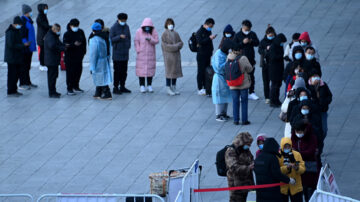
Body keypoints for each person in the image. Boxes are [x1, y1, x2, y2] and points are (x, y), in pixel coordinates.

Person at [254, 138, 295, 202]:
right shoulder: (272, 158)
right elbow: (276, 173)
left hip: (260, 192)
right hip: (272, 192)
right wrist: (288, 180)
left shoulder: (258, 157)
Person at [291, 120, 319, 202]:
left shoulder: (312, 137)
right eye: (296, 131)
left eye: (300, 131)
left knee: (309, 190)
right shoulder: (294, 136)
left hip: (309, 166)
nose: (298, 133)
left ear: (305, 130)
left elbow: (311, 151)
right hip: (298, 166)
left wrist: (297, 154)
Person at [233, 19, 260, 100]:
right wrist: (242, 43)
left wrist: (251, 41)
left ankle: (251, 92)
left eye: (249, 29)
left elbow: (257, 43)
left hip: (251, 58)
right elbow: (234, 47)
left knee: (251, 75)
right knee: (241, 76)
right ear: (243, 27)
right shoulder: (237, 35)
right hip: (240, 59)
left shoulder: (252, 34)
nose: (247, 31)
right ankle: (241, 92)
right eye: (246, 29)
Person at [225, 132, 255, 202]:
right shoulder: (231, 151)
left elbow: (250, 158)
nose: (249, 146)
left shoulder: (244, 149)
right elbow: (233, 167)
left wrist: (253, 162)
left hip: (244, 183)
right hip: (236, 185)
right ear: (242, 143)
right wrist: (248, 168)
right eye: (248, 144)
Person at [228, 44, 253, 125]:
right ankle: (244, 120)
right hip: (243, 83)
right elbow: (250, 69)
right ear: (240, 50)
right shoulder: (243, 58)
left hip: (232, 84)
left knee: (235, 102)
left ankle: (236, 120)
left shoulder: (228, 57)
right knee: (244, 102)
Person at [307, 70, 332, 146]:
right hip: (313, 112)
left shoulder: (323, 85)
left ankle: (320, 142)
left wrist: (325, 102)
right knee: (315, 130)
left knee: (324, 130)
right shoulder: (308, 87)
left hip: (323, 111)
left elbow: (329, 96)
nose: (316, 78)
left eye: (317, 76)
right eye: (313, 77)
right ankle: (317, 145)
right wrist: (313, 88)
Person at [135, 18, 159, 93]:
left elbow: (157, 40)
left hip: (150, 55)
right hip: (141, 55)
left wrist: (150, 39)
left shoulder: (153, 31)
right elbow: (136, 41)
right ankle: (142, 85)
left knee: (150, 70)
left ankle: (149, 85)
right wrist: (138, 50)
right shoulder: (139, 31)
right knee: (141, 70)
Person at [89, 22, 113, 100]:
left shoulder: (94, 39)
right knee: (102, 75)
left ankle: (107, 92)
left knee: (100, 76)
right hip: (105, 59)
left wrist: (92, 66)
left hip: (98, 61)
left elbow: (93, 54)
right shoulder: (105, 36)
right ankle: (98, 92)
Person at [63, 18, 86, 96]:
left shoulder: (80, 32)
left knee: (78, 72)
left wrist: (83, 52)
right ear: (70, 25)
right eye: (74, 26)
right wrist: (73, 44)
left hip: (79, 56)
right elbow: (65, 45)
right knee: (70, 73)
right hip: (70, 57)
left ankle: (76, 86)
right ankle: (69, 88)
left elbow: (84, 42)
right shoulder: (67, 34)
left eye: (77, 25)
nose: (76, 27)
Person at [110, 13, 132, 94]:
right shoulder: (114, 27)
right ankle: (115, 87)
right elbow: (111, 39)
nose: (124, 22)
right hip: (117, 54)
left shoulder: (127, 27)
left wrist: (128, 46)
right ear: (118, 19)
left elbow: (129, 37)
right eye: (122, 20)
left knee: (124, 71)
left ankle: (122, 86)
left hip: (125, 53)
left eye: (125, 20)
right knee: (117, 71)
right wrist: (119, 37)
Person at [5, 16, 27, 97]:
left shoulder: (16, 30)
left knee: (16, 74)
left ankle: (14, 89)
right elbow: (11, 45)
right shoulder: (10, 32)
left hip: (16, 57)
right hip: (11, 58)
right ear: (15, 24)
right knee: (12, 75)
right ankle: (11, 91)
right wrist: (22, 45)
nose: (20, 26)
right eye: (19, 25)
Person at [211, 40, 233, 121]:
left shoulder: (225, 53)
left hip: (224, 77)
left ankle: (224, 113)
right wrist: (227, 62)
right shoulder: (218, 54)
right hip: (219, 77)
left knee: (225, 95)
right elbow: (218, 67)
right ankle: (218, 114)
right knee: (219, 96)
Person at [161, 18, 183, 96]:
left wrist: (176, 46)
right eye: (169, 24)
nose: (171, 25)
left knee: (175, 72)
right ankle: (168, 87)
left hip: (176, 56)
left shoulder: (176, 33)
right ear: (166, 25)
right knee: (169, 72)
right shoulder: (164, 34)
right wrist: (175, 47)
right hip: (168, 57)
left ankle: (174, 86)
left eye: (172, 24)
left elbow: (181, 43)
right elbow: (165, 46)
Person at [279, 137, 305, 202]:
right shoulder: (278, 156)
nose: (287, 149)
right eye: (285, 147)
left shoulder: (296, 154)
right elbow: (277, 170)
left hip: (296, 187)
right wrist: (286, 168)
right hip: (283, 188)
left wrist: (297, 167)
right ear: (282, 146)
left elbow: (303, 169)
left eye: (289, 146)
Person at [195, 18, 216, 96]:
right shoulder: (199, 32)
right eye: (210, 26)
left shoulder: (208, 31)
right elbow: (200, 42)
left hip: (207, 54)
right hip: (201, 55)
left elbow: (209, 42)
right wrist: (209, 38)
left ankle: (206, 86)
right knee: (200, 71)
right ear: (206, 24)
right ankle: (200, 88)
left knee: (207, 71)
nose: (211, 28)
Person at [44, 24, 65, 98]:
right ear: (54, 29)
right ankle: (52, 92)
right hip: (51, 60)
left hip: (54, 60)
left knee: (54, 76)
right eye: (58, 30)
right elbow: (52, 46)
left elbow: (58, 43)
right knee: (52, 77)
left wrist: (64, 46)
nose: (59, 32)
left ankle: (54, 91)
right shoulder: (50, 36)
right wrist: (61, 48)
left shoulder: (54, 36)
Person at [20, 4, 38, 90]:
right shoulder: (23, 22)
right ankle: (23, 83)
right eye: (30, 11)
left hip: (30, 47)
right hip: (25, 47)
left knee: (28, 65)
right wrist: (25, 43)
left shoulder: (28, 20)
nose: (31, 13)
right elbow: (22, 35)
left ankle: (28, 82)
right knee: (24, 66)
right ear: (26, 12)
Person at [258, 25, 276, 104]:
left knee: (274, 81)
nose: (271, 37)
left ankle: (273, 96)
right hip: (265, 64)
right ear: (266, 34)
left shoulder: (276, 40)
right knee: (266, 81)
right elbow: (260, 50)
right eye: (269, 35)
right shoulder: (263, 41)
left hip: (273, 64)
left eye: (272, 35)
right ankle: (267, 97)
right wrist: (266, 50)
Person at [268, 33, 287, 107]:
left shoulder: (279, 46)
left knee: (278, 85)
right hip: (274, 70)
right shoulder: (273, 47)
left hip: (279, 68)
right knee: (274, 86)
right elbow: (273, 57)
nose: (282, 44)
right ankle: (272, 100)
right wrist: (282, 57)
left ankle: (277, 99)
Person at [36, 3, 51, 71]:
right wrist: (52, 27)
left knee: (44, 51)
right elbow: (45, 26)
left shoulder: (43, 15)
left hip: (43, 36)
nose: (46, 10)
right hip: (42, 37)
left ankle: (44, 63)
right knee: (42, 51)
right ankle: (42, 64)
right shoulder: (40, 17)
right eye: (45, 8)